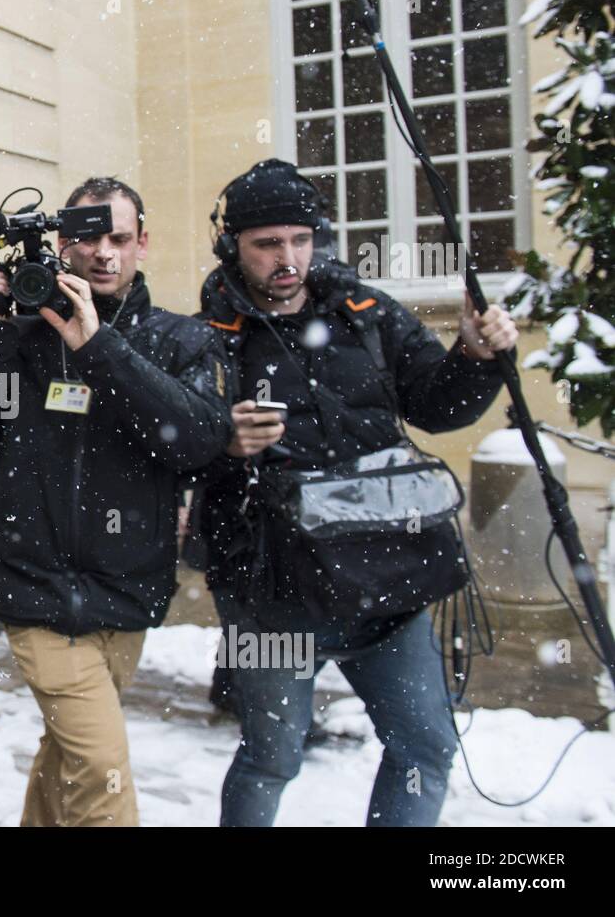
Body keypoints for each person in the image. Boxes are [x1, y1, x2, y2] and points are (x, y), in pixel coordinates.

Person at [189, 158, 519, 826]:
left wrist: (477, 358)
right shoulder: (206, 338)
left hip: (386, 575)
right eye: (267, 244)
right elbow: (174, 445)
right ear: (233, 248)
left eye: (301, 239)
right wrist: (220, 440)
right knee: (271, 757)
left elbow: (435, 403)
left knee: (425, 745)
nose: (289, 258)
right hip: (272, 593)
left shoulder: (366, 312)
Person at [0, 177, 230, 826]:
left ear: (142, 242)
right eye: (88, 237)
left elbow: (199, 439)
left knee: (70, 752)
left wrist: (98, 347)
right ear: (61, 243)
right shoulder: (20, 334)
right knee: (99, 767)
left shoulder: (179, 339)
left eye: (120, 237)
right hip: (34, 583)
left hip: (125, 587)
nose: (104, 253)